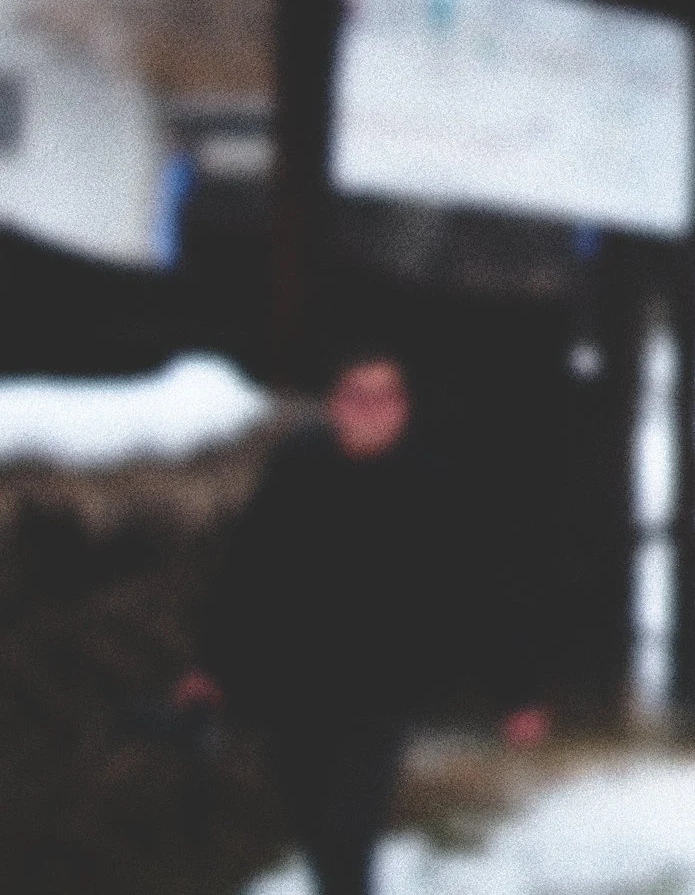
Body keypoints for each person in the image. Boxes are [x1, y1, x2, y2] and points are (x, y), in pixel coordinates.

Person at [178, 350, 548, 895]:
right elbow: (246, 574)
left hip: (382, 686)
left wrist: (516, 691)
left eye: (385, 397)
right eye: (356, 396)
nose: (370, 410)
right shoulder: (297, 470)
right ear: (333, 404)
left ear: (403, 408)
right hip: (295, 681)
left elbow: (479, 591)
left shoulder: (430, 485)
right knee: (312, 824)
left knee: (349, 828)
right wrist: (212, 667)